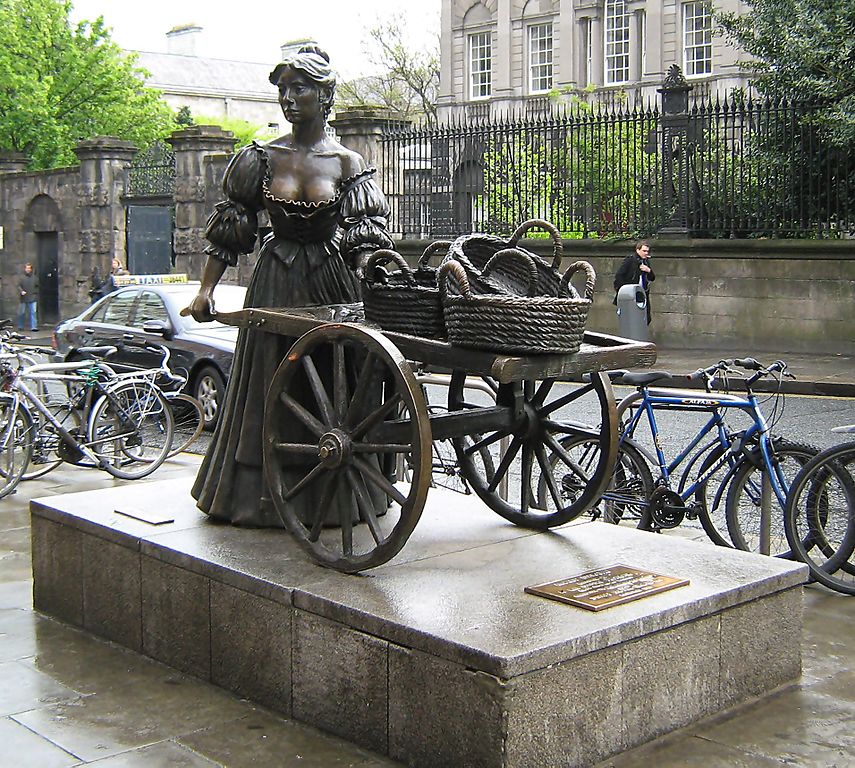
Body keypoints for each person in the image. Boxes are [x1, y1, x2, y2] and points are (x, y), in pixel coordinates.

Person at [186, 45, 392, 527]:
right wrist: (205, 289)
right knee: (269, 383)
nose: (288, 97)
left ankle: (336, 492)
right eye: (283, 89)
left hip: (331, 284)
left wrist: (375, 275)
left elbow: (364, 237)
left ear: (325, 96)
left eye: (300, 88)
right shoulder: (261, 158)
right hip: (276, 280)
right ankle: (264, 495)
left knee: (334, 387)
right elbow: (232, 228)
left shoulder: (347, 162)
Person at [613, 240, 655, 325]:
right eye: (644, 251)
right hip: (630, 294)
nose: (646, 253)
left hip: (642, 294)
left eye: (647, 251)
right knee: (630, 320)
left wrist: (648, 270)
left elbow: (652, 278)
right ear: (637, 250)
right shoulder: (630, 260)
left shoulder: (646, 262)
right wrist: (624, 291)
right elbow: (619, 276)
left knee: (645, 318)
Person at [17, 262, 38, 332]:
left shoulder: (35, 278)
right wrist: (21, 291)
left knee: (33, 312)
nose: (28, 269)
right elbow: (18, 286)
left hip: (32, 296)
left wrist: (35, 293)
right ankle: (20, 326)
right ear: (25, 269)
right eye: (27, 268)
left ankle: (34, 327)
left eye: (29, 268)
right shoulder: (21, 277)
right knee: (21, 313)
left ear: (31, 269)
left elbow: (37, 286)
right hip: (23, 297)